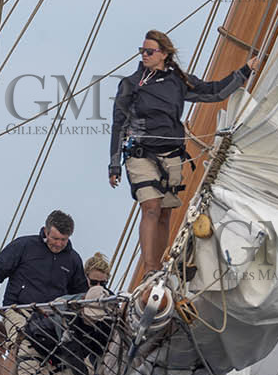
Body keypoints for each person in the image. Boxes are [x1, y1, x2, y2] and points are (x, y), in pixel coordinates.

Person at [108, 31, 261, 281]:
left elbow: (214, 92)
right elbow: (118, 124)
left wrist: (244, 71)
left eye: (149, 51)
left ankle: (158, 269)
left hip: (171, 155)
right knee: (150, 208)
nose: (144, 55)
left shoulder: (177, 81)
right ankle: (149, 270)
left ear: (164, 55)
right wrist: (114, 165)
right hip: (141, 154)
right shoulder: (131, 84)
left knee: (165, 212)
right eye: (142, 51)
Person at [0, 210, 86, 375]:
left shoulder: (73, 259)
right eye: (55, 238)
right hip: (19, 308)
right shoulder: (24, 246)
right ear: (46, 231)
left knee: (55, 354)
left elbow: (80, 294)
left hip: (53, 314)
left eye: (64, 240)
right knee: (23, 343)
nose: (59, 244)